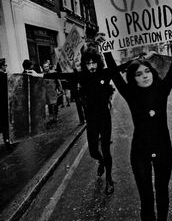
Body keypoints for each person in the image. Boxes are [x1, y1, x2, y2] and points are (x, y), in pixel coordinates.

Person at [104, 35, 172, 221]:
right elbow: (114, 73)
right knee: (147, 199)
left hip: (164, 149)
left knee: (162, 193)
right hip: (140, 153)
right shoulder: (130, 93)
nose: (145, 76)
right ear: (133, 78)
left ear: (152, 71)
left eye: (147, 71)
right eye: (139, 74)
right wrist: (105, 48)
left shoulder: (163, 88)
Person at [27, 47, 128, 195]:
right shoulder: (82, 76)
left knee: (106, 150)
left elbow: (120, 67)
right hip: (91, 120)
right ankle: (100, 161)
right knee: (94, 151)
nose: (91, 66)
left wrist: (139, 59)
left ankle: (109, 180)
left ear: (98, 62)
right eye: (88, 63)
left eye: (94, 63)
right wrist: (40, 75)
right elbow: (60, 74)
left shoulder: (104, 73)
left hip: (105, 118)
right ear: (85, 64)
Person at [0, 58, 12, 151]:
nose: (6, 66)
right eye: (5, 65)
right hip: (4, 104)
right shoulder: (4, 76)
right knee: (5, 124)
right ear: (2, 66)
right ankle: (7, 141)